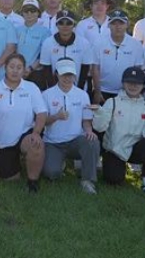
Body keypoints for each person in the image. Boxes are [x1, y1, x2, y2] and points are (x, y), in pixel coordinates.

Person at [91, 66, 145, 196]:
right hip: (115, 149)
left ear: (143, 86)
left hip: (134, 149)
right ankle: (117, 167)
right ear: (123, 83)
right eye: (129, 82)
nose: (133, 86)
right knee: (114, 180)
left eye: (137, 83)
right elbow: (99, 127)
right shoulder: (112, 102)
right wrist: (99, 113)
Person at [0, 53, 47, 193]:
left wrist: (36, 133)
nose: (15, 70)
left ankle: (32, 182)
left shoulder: (31, 88)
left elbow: (42, 113)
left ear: (24, 70)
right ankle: (18, 162)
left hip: (25, 134)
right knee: (11, 178)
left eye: (19, 67)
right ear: (5, 68)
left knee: (35, 144)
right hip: (4, 141)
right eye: (11, 66)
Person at [41, 58, 101, 194]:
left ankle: (87, 180)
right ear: (57, 74)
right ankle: (59, 163)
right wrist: (56, 117)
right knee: (51, 173)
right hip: (53, 142)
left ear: (75, 75)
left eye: (70, 75)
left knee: (92, 141)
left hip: (75, 140)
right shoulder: (46, 95)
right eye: (64, 74)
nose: (67, 78)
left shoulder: (82, 95)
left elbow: (86, 121)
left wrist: (89, 131)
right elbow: (42, 121)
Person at [33, 10, 95, 96]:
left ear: (74, 25)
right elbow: (47, 70)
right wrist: (54, 91)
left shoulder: (84, 43)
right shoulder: (47, 43)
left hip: (79, 88)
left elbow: (85, 69)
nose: (65, 26)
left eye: (69, 23)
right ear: (56, 25)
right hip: (54, 90)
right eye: (61, 23)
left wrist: (78, 90)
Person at [92, 10, 145, 103]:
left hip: (126, 92)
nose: (117, 26)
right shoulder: (99, 43)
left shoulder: (136, 45)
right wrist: (97, 91)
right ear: (108, 25)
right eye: (113, 23)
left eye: (121, 23)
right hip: (103, 91)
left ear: (127, 24)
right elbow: (95, 68)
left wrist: (133, 92)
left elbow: (137, 69)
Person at [16, 0, 51, 89]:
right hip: (18, 71)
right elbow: (13, 51)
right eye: (26, 10)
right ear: (22, 13)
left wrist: (30, 68)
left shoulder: (45, 32)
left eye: (33, 10)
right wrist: (19, 68)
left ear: (38, 13)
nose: (29, 13)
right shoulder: (16, 30)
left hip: (36, 73)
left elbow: (44, 54)